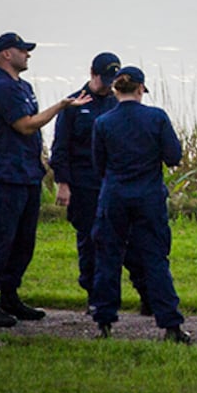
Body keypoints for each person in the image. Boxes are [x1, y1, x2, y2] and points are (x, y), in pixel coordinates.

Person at [0, 31, 90, 328]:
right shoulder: (1, 88)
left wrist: (42, 161)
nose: (28, 54)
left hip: (27, 173)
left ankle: (10, 295)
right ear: (6, 55)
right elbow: (25, 126)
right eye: (23, 50)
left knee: (24, 241)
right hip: (6, 175)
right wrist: (61, 106)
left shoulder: (22, 86)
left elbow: (32, 133)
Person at [90, 65, 192, 343]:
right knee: (155, 259)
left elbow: (98, 164)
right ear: (140, 89)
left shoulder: (103, 122)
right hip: (148, 196)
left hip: (114, 196)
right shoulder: (156, 118)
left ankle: (104, 321)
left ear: (115, 89)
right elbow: (173, 156)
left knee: (108, 257)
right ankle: (170, 324)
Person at [49, 51, 147, 310]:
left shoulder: (118, 102)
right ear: (92, 74)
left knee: (132, 240)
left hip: (114, 182)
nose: (108, 85)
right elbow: (60, 147)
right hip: (84, 184)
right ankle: (94, 296)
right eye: (104, 79)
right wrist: (63, 183)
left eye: (112, 80)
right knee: (91, 241)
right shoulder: (74, 104)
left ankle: (146, 293)